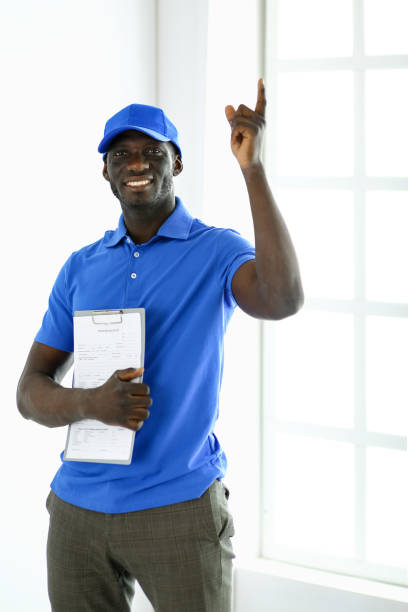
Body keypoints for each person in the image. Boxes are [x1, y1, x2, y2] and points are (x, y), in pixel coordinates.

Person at [17, 78, 303, 612]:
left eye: (153, 151)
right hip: (77, 510)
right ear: (105, 171)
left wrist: (253, 169)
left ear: (177, 162)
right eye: (121, 153)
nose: (137, 162)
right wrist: (89, 403)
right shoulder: (81, 266)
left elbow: (283, 298)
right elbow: (29, 391)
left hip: (178, 507)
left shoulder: (217, 250)